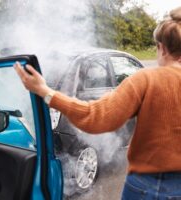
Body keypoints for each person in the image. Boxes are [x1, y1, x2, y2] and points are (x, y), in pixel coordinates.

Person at [15, 6, 181, 200]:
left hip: (147, 187)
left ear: (161, 47)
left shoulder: (146, 79)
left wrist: (45, 91)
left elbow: (96, 118)